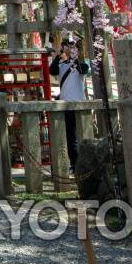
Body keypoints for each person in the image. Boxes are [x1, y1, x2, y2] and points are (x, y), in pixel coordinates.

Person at [49, 40, 89, 169]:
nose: (69, 50)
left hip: (79, 104)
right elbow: (52, 70)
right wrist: (60, 54)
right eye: (67, 47)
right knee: (71, 137)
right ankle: (75, 164)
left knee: (83, 135)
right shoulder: (61, 66)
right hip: (66, 104)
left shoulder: (81, 65)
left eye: (72, 48)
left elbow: (83, 69)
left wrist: (74, 57)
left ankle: (85, 163)